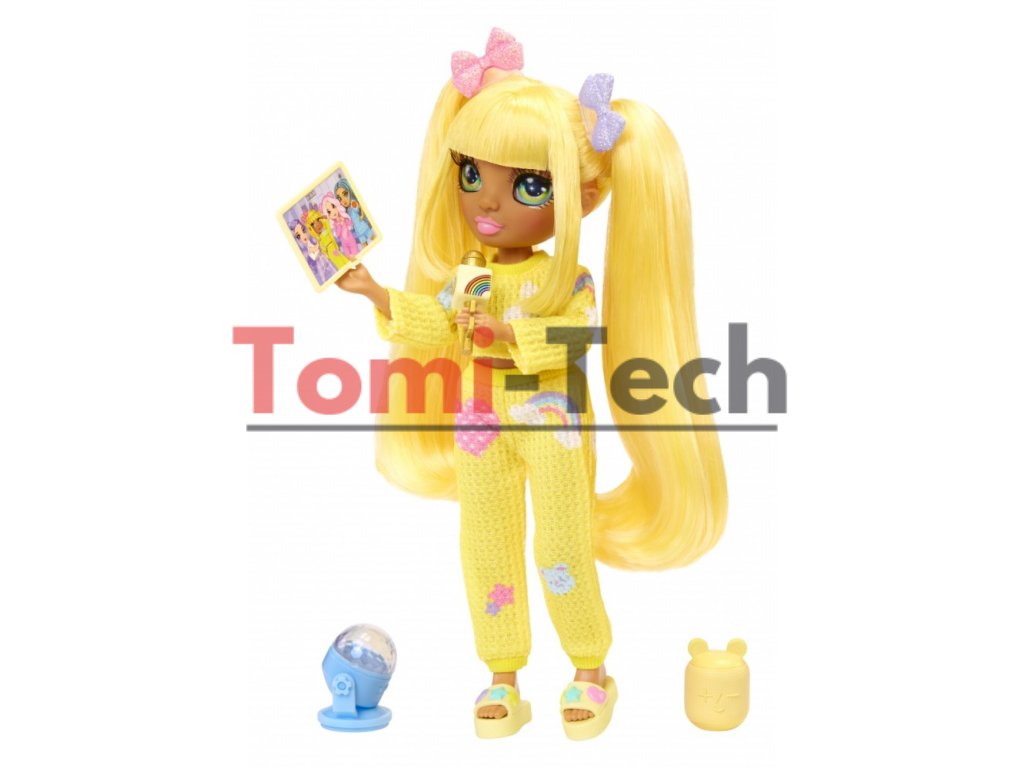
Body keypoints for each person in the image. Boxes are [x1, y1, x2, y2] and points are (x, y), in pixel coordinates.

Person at [337, 29, 726, 740]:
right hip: (481, 426)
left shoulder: (566, 280)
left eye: (528, 186)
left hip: (553, 429)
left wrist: (506, 336)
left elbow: (576, 336)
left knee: (559, 548)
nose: (488, 201)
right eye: (471, 175)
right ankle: (503, 673)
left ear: (582, 196)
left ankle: (590, 668)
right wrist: (374, 292)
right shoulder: (470, 276)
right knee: (485, 546)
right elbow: (435, 323)